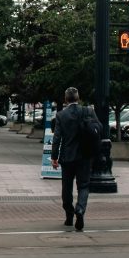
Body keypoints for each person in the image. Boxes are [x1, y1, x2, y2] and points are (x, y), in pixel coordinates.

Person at [50, 87, 101, 231]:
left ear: (66, 99)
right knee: (83, 185)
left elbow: (57, 138)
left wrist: (54, 157)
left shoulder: (61, 115)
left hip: (67, 157)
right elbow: (99, 128)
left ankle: (69, 215)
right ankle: (80, 209)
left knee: (67, 187)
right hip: (85, 155)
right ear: (78, 98)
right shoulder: (88, 111)